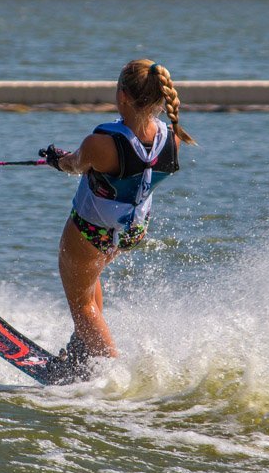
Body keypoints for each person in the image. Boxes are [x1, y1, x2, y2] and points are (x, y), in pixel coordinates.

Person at [38, 59, 196, 381]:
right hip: (131, 232)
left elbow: (74, 165)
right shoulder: (173, 140)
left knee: (82, 305)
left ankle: (111, 372)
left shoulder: (100, 143)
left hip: (90, 230)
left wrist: (58, 160)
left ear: (123, 96)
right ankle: (84, 350)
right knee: (89, 279)